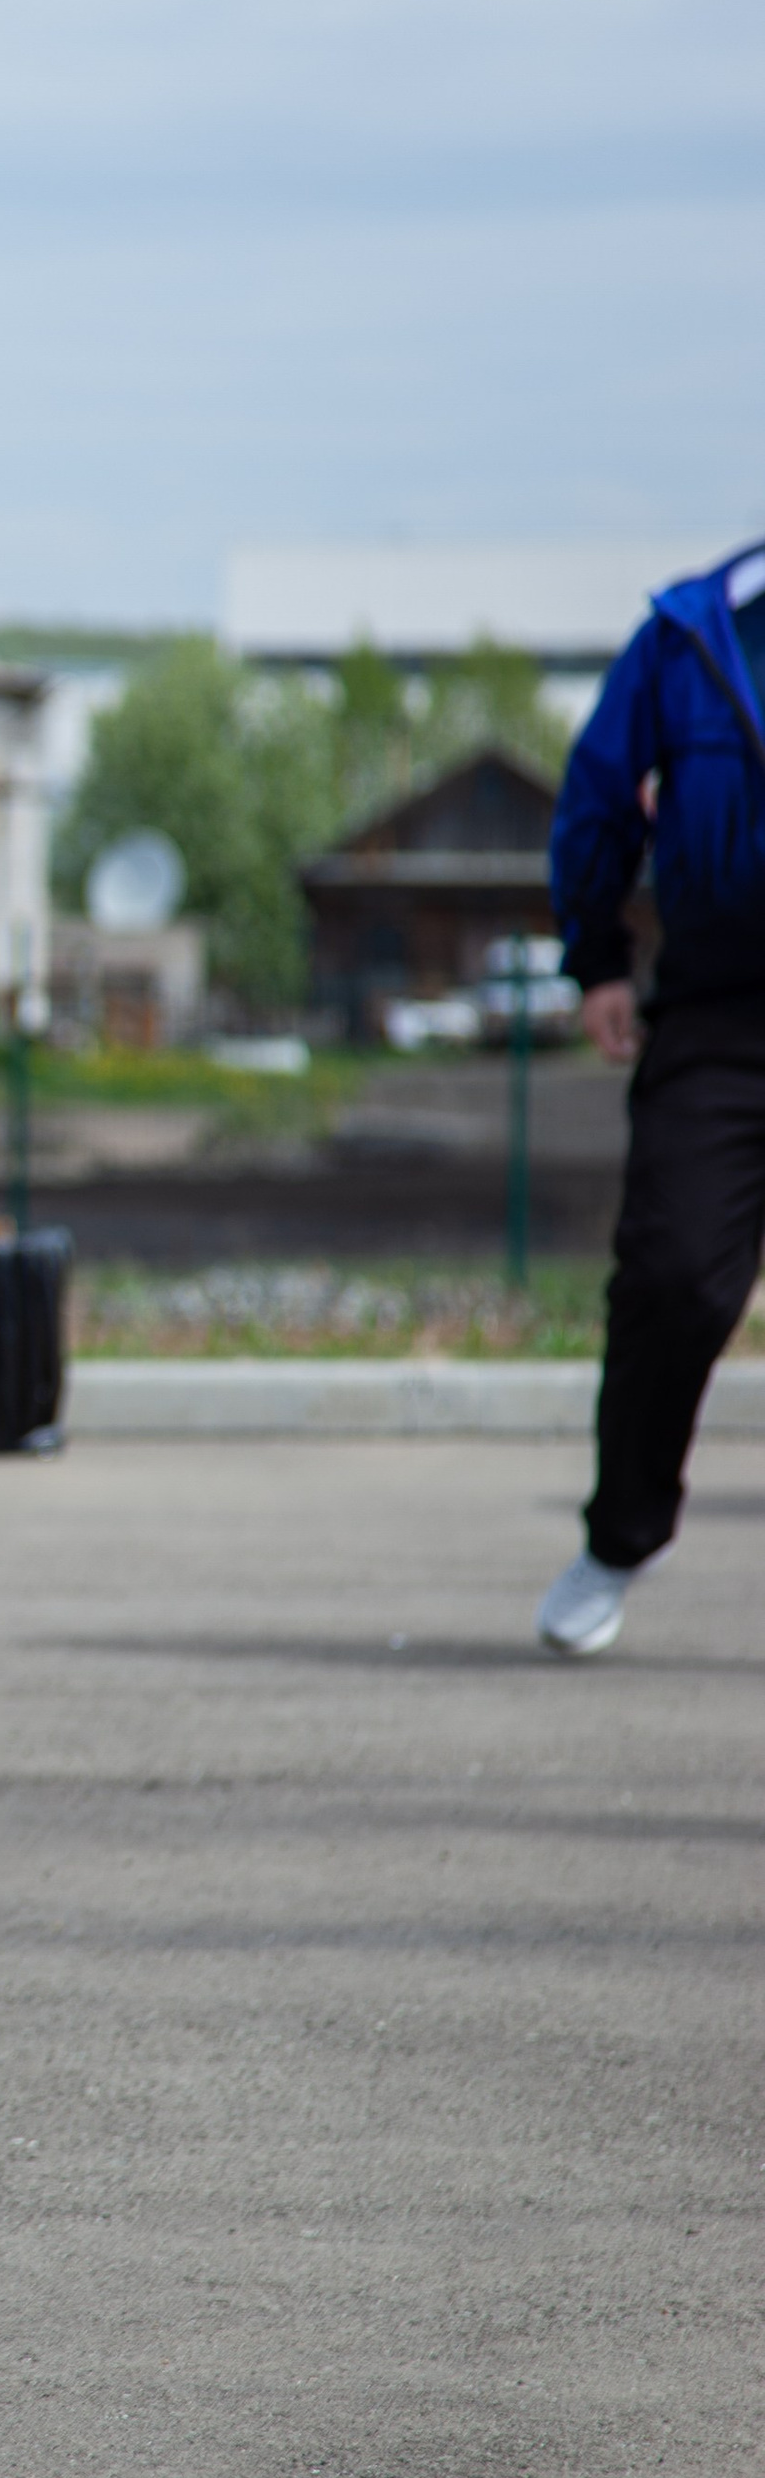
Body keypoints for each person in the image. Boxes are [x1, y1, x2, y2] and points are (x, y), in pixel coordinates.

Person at [538, 534, 765, 1654]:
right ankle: (620, 1535)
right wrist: (593, 955)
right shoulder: (689, 636)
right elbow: (597, 791)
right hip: (719, 1014)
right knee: (673, 1276)